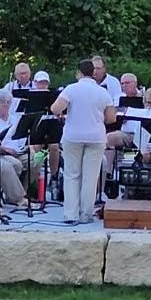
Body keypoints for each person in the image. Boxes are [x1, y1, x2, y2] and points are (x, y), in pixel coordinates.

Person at [51, 60, 116, 223]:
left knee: (72, 174)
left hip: (73, 136)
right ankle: (86, 214)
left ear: (78, 73)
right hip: (95, 137)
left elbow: (55, 108)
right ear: (93, 73)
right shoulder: (102, 92)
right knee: (90, 176)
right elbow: (111, 118)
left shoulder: (71, 89)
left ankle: (70, 214)